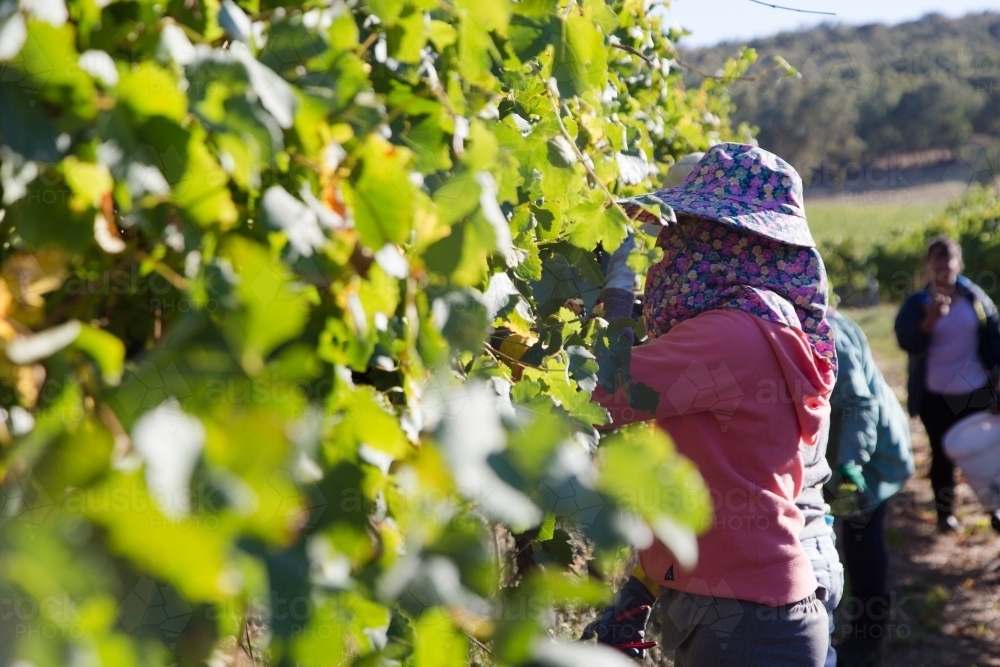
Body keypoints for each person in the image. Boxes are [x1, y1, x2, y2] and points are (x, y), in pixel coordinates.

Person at [585, 144, 837, 666]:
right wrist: (646, 583)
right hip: (747, 613)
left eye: (683, 230)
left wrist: (614, 290)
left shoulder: (732, 335)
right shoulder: (763, 322)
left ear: (721, 240)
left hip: (748, 627)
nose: (671, 245)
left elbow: (603, 394)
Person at [825, 309, 914, 667]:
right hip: (846, 450)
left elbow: (859, 404)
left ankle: (867, 639)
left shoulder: (826, 330)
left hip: (869, 454)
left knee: (863, 543)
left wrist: (850, 464)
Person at [894, 237, 1000, 533]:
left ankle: (995, 509)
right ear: (928, 265)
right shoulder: (917, 304)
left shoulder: (975, 298)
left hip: (975, 391)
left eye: (949, 259)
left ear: (958, 262)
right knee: (942, 455)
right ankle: (945, 515)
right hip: (935, 395)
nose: (944, 266)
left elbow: (994, 338)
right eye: (937, 260)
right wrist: (929, 322)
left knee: (988, 452)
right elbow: (907, 341)